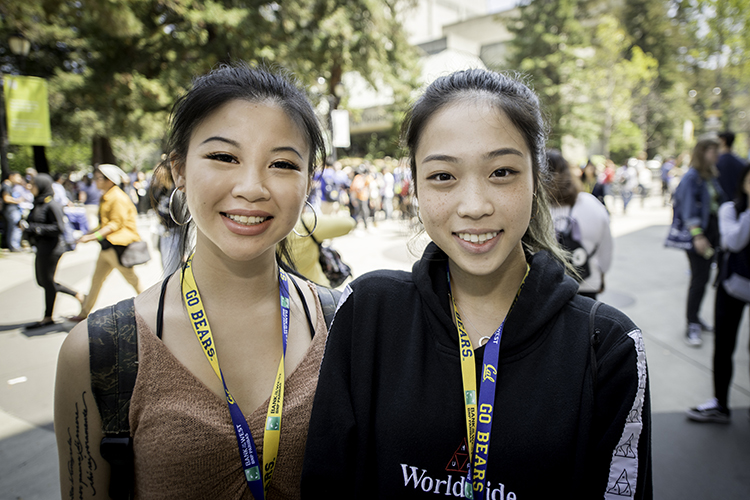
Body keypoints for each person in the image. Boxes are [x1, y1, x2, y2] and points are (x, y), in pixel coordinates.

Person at [302, 69, 652, 498]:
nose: (474, 206)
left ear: (536, 179)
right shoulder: (368, 313)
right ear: (415, 187)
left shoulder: (605, 346)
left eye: (501, 172)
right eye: (443, 176)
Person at [54, 62, 329, 499]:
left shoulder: (342, 324)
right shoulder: (98, 351)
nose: (252, 187)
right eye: (224, 157)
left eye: (281, 163)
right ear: (179, 171)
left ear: (308, 179)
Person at [686, 165, 750, 423]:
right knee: (724, 345)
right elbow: (733, 242)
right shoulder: (730, 210)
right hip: (732, 285)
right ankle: (720, 403)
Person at [66, 164, 143, 321]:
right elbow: (104, 223)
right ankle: (84, 313)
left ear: (109, 180)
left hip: (117, 246)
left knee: (132, 280)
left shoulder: (117, 197)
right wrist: (89, 233)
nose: (95, 181)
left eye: (98, 178)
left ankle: (155, 308)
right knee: (97, 280)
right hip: (107, 247)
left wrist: (93, 237)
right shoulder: (107, 195)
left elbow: (114, 224)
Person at [671, 138, 725, 347]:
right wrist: (698, 236)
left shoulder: (709, 176)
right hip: (700, 235)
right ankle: (691, 322)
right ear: (702, 152)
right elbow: (688, 211)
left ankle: (695, 318)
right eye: (713, 152)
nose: (717, 156)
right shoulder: (692, 178)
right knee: (699, 279)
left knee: (703, 279)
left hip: (711, 233)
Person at [548, 149, 613, 300]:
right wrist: (602, 273)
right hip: (587, 282)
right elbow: (606, 249)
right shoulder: (592, 204)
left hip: (549, 288)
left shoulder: (534, 209)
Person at [21, 174, 84, 328]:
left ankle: (48, 316)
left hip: (52, 248)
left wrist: (36, 228)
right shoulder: (38, 203)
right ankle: (77, 295)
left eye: (33, 184)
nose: (30, 187)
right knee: (42, 281)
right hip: (41, 246)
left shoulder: (51, 204)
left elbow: (59, 228)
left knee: (47, 281)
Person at [287, 208, 356, 287]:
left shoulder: (273, 230)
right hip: (317, 288)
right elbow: (349, 223)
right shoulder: (306, 222)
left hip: (285, 292)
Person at [716, 131, 746, 203]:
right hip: (737, 202)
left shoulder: (716, 162)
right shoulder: (741, 163)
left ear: (723, 141)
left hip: (720, 202)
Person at [2, 172, 24, 251]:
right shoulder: (7, 185)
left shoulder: (10, 186)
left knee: (13, 227)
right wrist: (17, 201)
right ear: (11, 176)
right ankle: (14, 246)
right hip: (11, 210)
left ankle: (13, 245)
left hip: (11, 210)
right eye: (18, 177)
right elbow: (6, 198)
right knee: (15, 227)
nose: (19, 179)